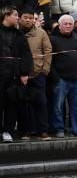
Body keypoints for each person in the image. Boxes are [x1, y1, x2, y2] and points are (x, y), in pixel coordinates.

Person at [0, 7, 32, 143]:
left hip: (14, 75)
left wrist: (24, 73)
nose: (17, 17)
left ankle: (8, 131)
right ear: (6, 16)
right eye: (15, 15)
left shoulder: (19, 35)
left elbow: (26, 55)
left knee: (12, 104)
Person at [18, 8, 51, 139]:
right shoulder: (16, 33)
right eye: (25, 17)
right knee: (23, 105)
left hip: (38, 73)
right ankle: (25, 131)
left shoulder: (41, 33)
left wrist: (45, 69)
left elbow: (48, 51)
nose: (28, 20)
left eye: (31, 18)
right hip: (20, 74)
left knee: (41, 103)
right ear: (20, 18)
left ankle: (43, 130)